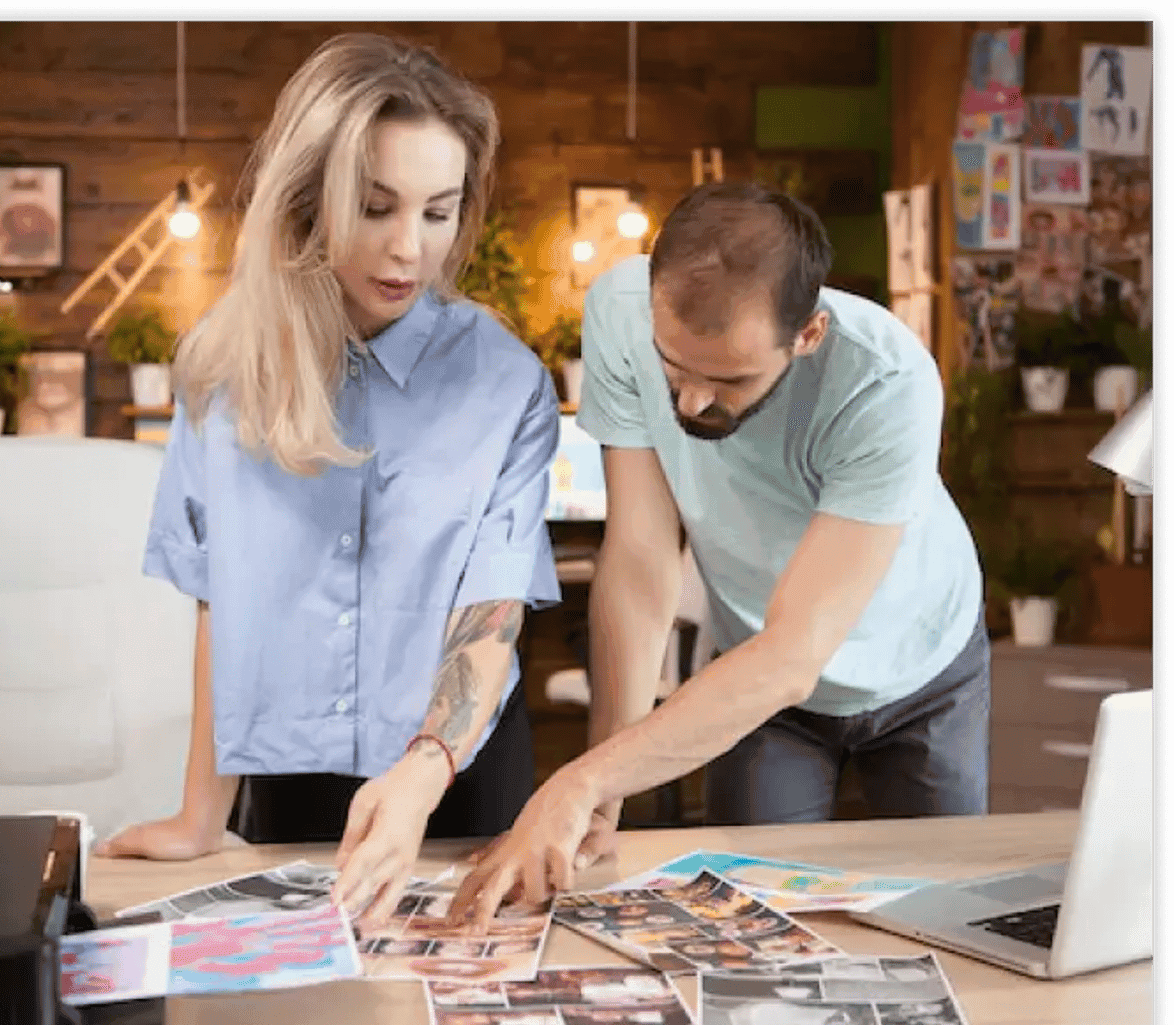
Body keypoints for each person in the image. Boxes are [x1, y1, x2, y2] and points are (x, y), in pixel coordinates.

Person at [94, 32, 560, 934]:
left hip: (456, 776)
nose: (409, 250)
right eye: (377, 207)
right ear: (310, 199)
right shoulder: (224, 372)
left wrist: (421, 776)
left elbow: (491, 614)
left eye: (438, 212)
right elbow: (217, 603)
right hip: (287, 776)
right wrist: (201, 814)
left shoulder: (506, 382)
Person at [451, 181, 987, 928]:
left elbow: (795, 654)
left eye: (729, 380)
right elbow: (640, 557)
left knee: (946, 918)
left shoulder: (886, 383)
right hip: (761, 682)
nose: (693, 404)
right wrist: (607, 794)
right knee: (743, 918)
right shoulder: (619, 311)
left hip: (922, 665)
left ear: (808, 335)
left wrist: (575, 783)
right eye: (675, 367)